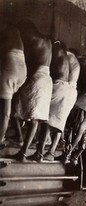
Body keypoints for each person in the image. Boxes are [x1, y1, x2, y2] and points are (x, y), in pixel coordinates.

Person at [10, 20, 52, 162]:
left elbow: (29, 66)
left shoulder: (33, 40)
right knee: (37, 118)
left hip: (38, 77)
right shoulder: (46, 40)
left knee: (16, 107)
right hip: (46, 79)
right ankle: (24, 150)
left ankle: (21, 144)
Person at [0, 22, 27, 150]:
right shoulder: (14, 29)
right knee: (6, 110)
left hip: (11, 69)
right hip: (22, 70)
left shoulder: (6, 30)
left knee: (5, 114)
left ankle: (0, 141)